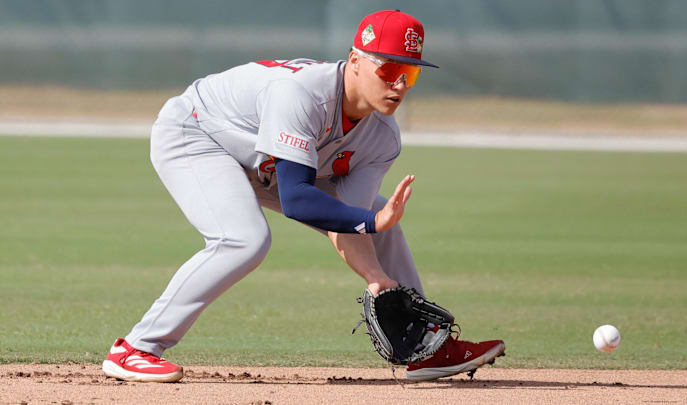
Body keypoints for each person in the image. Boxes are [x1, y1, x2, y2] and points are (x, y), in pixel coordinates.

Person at [101, 10, 505, 383]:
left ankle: (424, 349)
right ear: (356, 60)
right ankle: (136, 347)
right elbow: (296, 199)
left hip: (268, 160)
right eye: (390, 68)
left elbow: (346, 221)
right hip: (198, 133)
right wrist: (366, 223)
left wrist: (377, 278)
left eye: (411, 74)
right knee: (244, 240)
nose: (399, 84)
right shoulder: (303, 94)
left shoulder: (381, 137)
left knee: (382, 222)